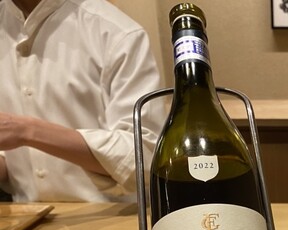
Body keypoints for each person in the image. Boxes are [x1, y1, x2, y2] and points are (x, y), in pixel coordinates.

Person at [0, 0, 165, 203]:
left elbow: (144, 157)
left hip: (112, 216)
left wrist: (27, 131)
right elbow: (10, 163)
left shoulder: (117, 33)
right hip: (25, 216)